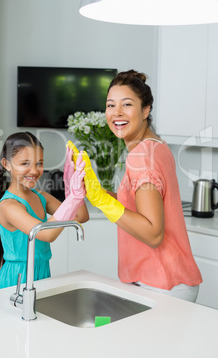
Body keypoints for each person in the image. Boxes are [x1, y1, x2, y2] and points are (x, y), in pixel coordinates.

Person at [68, 69, 202, 302]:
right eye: (110, 105)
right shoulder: (156, 146)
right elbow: (140, 207)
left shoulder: (141, 155)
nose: (116, 113)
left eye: (127, 104)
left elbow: (152, 234)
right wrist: (95, 191)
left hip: (160, 283)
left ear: (146, 109)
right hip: (168, 280)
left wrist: (102, 200)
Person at [0, 131, 89, 290]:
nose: (34, 170)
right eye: (25, 163)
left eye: (39, 163)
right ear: (6, 164)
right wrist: (73, 198)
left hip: (42, 274)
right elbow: (46, 234)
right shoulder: (9, 206)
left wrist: (69, 185)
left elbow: (81, 216)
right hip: (16, 280)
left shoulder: (41, 197)